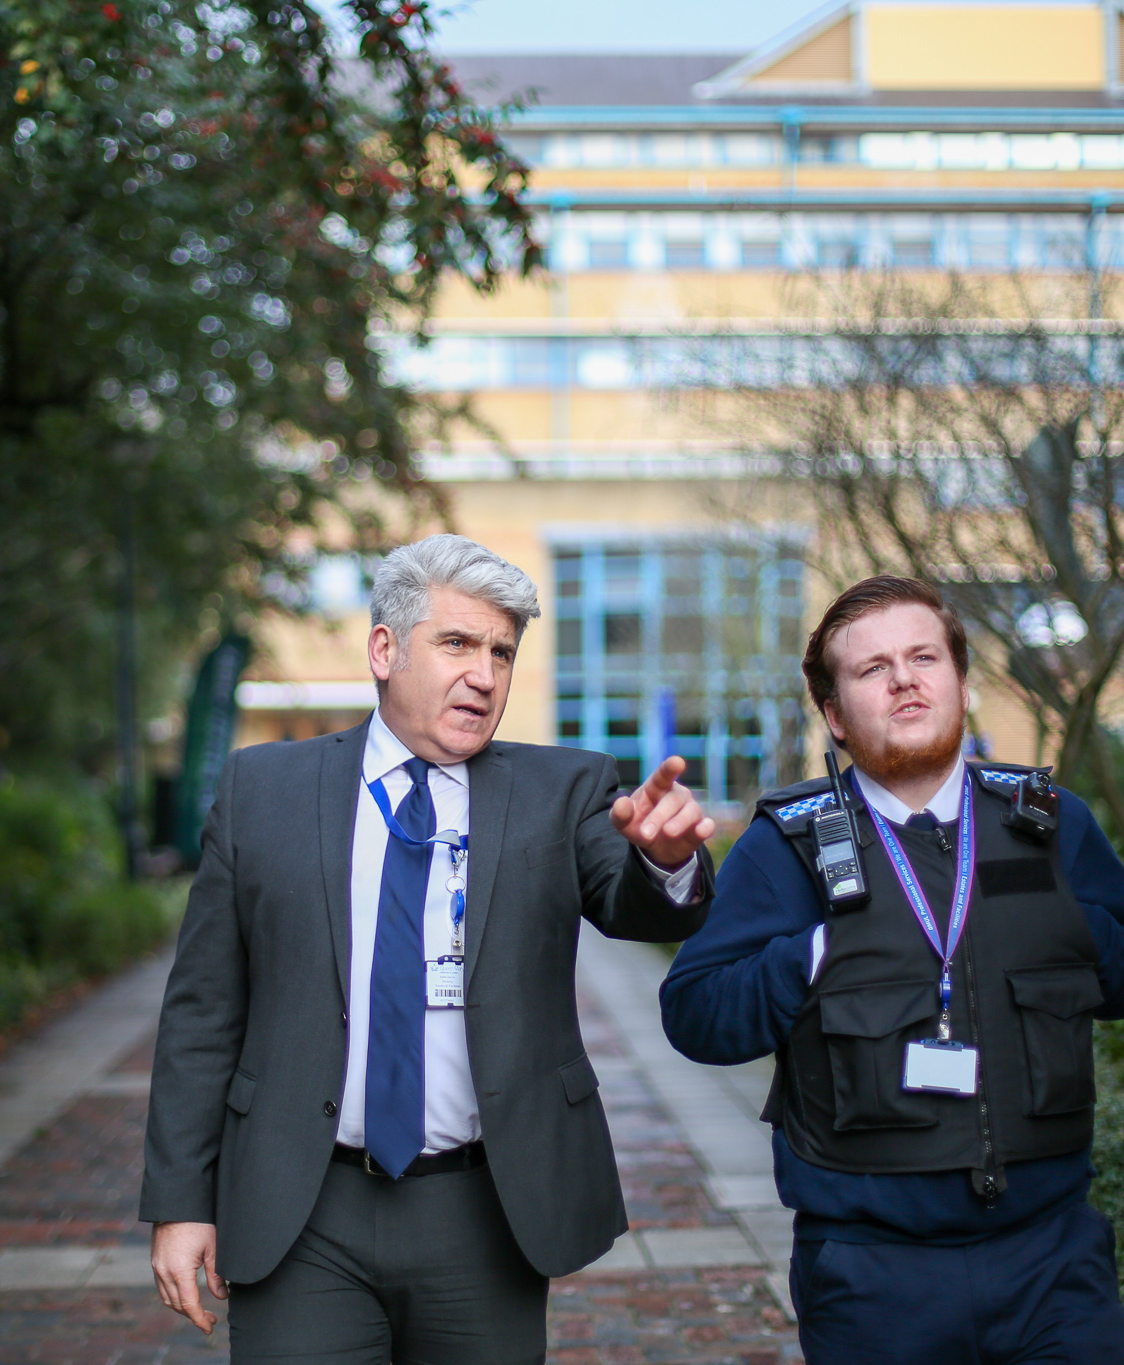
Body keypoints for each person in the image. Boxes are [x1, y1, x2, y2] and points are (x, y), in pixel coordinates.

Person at [141, 534, 716, 1362]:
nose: (484, 674)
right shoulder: (263, 789)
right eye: (457, 642)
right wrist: (181, 1201)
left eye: (502, 652)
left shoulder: (565, 790)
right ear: (385, 648)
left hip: (483, 1210)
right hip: (301, 1203)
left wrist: (665, 862)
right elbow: (202, 1010)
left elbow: (638, 906)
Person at [661, 575, 1124, 1364]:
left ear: (962, 685)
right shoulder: (790, 845)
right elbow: (695, 1012)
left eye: (923, 657)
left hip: (1054, 1263)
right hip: (873, 1276)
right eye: (872, 668)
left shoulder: (1048, 825)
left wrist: (1073, 927)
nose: (904, 677)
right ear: (835, 716)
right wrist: (813, 955)